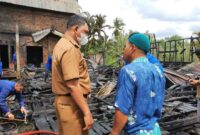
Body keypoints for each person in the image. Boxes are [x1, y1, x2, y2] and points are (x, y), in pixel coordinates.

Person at [110, 33, 165, 135]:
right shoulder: (158, 71)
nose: (124, 50)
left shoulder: (128, 71)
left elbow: (122, 109)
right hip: (155, 130)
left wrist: (114, 132)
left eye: (125, 46)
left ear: (132, 47)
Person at [52, 14, 93, 135]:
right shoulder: (70, 49)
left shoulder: (61, 44)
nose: (86, 36)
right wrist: (87, 113)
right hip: (72, 105)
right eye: (85, 32)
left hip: (67, 103)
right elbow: (73, 85)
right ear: (75, 29)